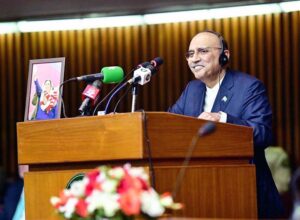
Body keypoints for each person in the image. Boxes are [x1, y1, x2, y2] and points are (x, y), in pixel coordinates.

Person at [168, 30, 284, 218]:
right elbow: (169, 126)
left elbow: (263, 134)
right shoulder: (192, 89)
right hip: (200, 190)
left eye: (202, 51)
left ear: (224, 55)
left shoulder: (248, 86)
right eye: (190, 54)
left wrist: (222, 119)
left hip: (246, 193)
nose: (194, 59)